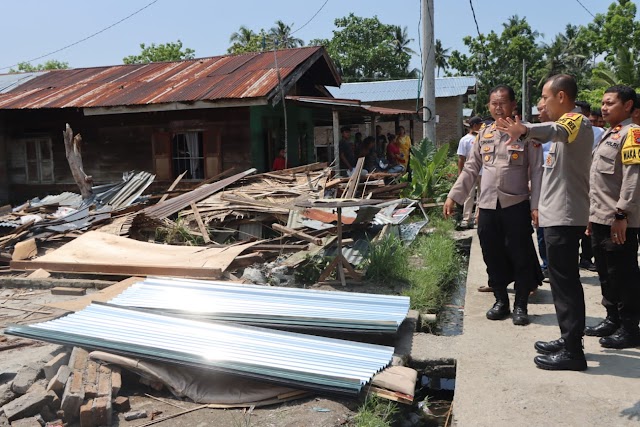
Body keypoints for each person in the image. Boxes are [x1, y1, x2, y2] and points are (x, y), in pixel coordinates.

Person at [497, 74, 593, 371]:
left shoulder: (576, 121)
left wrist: (525, 129)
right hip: (557, 216)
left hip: (565, 217)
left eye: (545, 97)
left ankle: (573, 352)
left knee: (565, 284)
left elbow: (553, 130)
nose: (543, 103)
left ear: (562, 97)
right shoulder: (567, 126)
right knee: (563, 283)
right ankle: (568, 339)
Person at [444, 84, 543, 326]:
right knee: (491, 254)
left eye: (502, 103)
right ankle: (501, 300)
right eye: (493, 103)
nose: (498, 107)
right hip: (488, 205)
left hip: (516, 204)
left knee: (520, 255)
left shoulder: (527, 134)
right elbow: (470, 168)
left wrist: (536, 204)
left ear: (513, 106)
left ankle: (520, 305)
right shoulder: (483, 135)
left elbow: (538, 172)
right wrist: (453, 196)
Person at [584, 85, 640, 349]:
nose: (604, 108)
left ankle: (630, 328)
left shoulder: (633, 134)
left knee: (624, 274)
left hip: (619, 220)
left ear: (627, 106)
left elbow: (632, 179)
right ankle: (612, 318)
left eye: (610, 103)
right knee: (606, 273)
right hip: (600, 217)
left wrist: (622, 213)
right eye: (603, 103)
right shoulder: (609, 134)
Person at [456, 116, 484, 229]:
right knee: (469, 195)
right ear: (474, 125)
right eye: (480, 124)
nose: (482, 126)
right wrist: (460, 173)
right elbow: (461, 158)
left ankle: (478, 218)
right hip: (470, 172)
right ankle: (466, 218)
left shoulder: (484, 138)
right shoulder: (465, 140)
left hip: (484, 172)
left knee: (482, 195)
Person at [535, 99, 551, 280]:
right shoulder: (537, 133)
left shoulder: (564, 131)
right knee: (541, 233)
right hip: (540, 190)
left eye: (541, 109)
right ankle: (546, 264)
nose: (538, 113)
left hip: (559, 193)